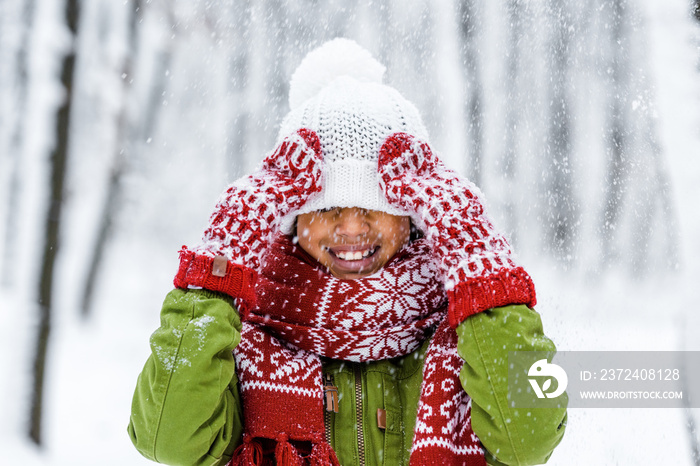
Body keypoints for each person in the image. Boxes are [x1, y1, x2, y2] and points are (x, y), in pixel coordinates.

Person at [128, 38, 567, 466]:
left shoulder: (468, 332)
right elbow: (167, 438)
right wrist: (219, 263)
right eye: (327, 208)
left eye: (376, 207)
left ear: (414, 215)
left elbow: (529, 440)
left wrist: (477, 255)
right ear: (293, 218)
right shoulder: (240, 335)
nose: (353, 227)